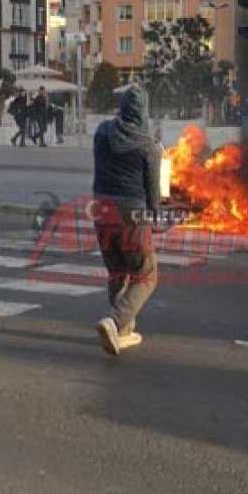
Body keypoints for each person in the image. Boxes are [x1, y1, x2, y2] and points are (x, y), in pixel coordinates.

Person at [92, 85, 161, 356]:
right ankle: (114, 321)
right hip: (131, 212)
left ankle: (123, 330)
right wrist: (155, 216)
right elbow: (153, 190)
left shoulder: (101, 133)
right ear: (143, 112)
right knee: (146, 273)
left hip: (100, 207)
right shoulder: (148, 146)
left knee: (118, 271)